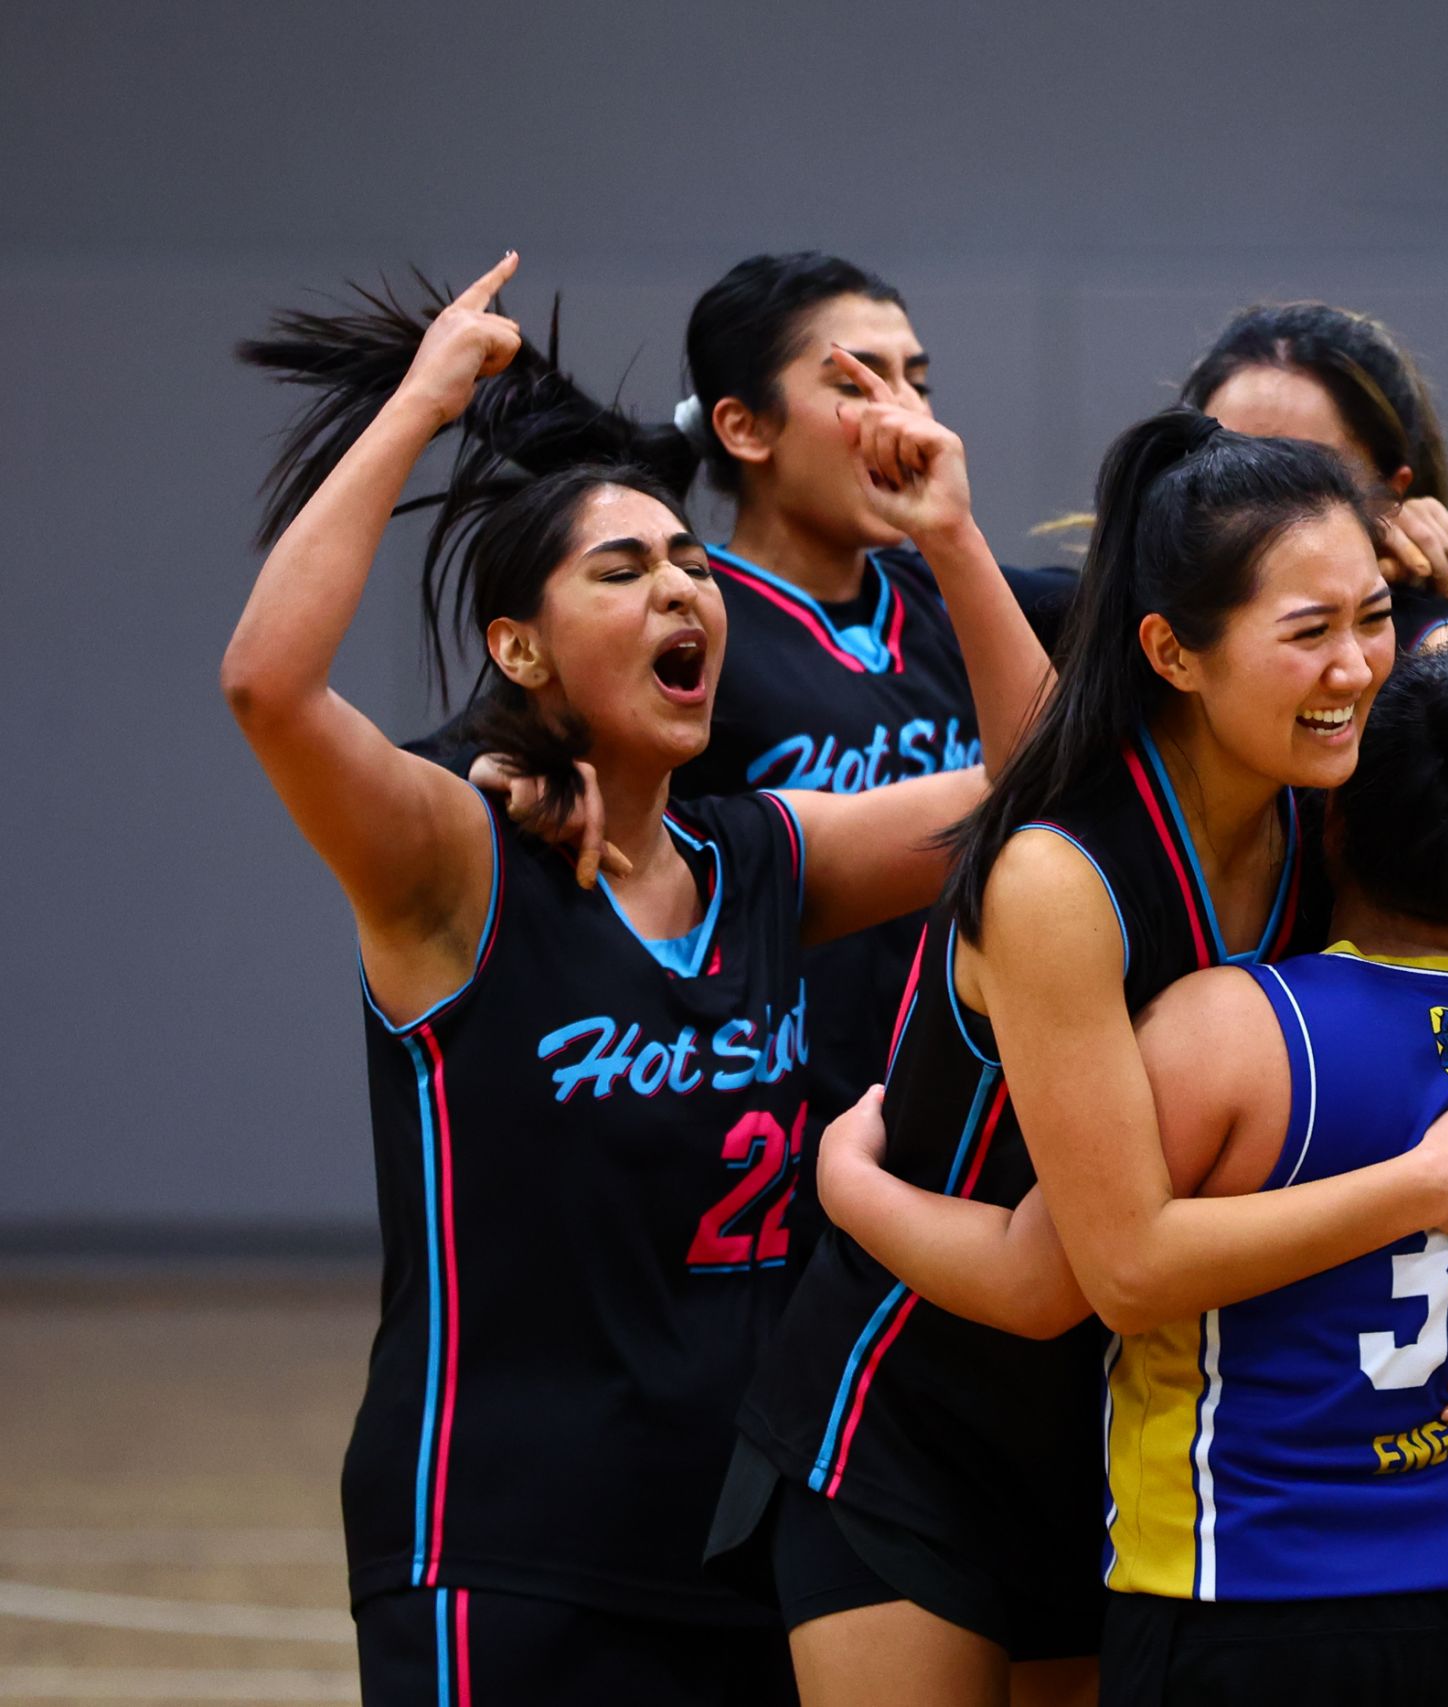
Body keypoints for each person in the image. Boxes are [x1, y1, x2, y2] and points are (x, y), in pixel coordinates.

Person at [223, 254, 1045, 1699]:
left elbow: (1037, 796)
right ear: (520, 648)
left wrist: (956, 539)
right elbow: (268, 685)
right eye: (626, 570)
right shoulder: (458, 863)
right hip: (502, 1544)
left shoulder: (763, 861)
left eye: (685, 561)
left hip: (736, 1535)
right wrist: (423, 397)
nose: (682, 587)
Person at [719, 409, 1448, 1706]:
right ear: (1175, 651)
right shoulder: (1060, 874)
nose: (1360, 665)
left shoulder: (1326, 820)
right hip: (915, 1421)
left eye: (1372, 617)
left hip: (1123, 1436)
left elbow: (1432, 1106)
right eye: (1311, 631)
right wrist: (841, 1187)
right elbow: (1079, 1272)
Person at [390, 251, 1074, 1137]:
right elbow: (448, 761)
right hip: (772, 1120)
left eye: (917, 379)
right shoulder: (683, 624)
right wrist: (505, 765)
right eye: (858, 382)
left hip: (967, 1122)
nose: (905, 413)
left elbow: (1086, 736)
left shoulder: (972, 597)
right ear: (746, 428)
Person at [1180, 300, 1448, 657]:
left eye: (1303, 473)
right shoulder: (1146, 627)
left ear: (1389, 496)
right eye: (1229, 463)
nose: (1259, 501)